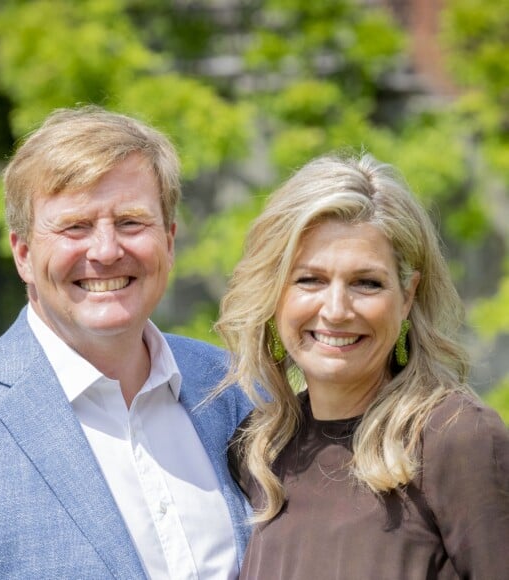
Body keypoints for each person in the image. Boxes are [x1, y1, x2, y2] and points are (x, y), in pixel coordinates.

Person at [0, 105, 252, 579]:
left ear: (170, 240)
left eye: (131, 222)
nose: (105, 251)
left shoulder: (237, 389)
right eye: (74, 227)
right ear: (23, 254)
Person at [217, 152, 509, 579]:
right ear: (274, 292)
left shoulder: (456, 440)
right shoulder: (258, 451)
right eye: (309, 279)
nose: (335, 310)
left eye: (366, 283)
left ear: (407, 296)